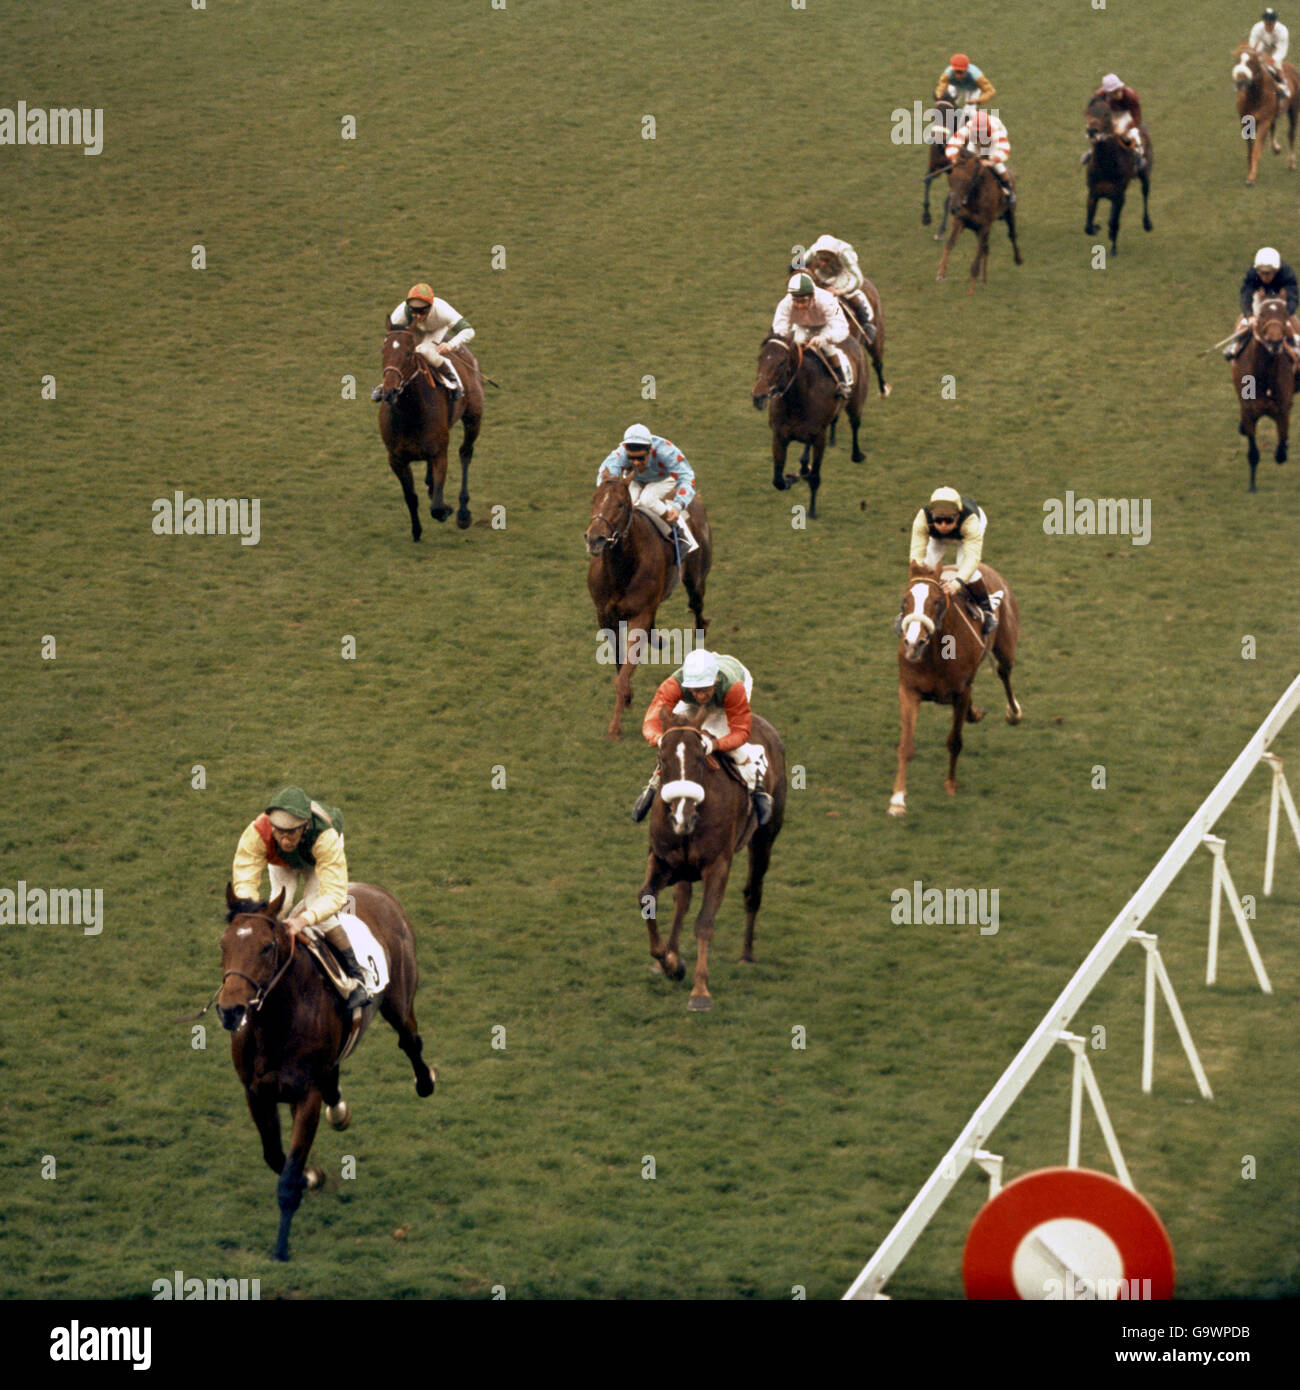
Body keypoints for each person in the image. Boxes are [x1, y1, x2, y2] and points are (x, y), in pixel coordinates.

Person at [230, 786, 371, 1010]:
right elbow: (245, 876)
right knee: (279, 907)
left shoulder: (325, 837)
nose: (285, 839)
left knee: (319, 911)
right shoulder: (257, 832)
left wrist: (303, 920)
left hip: (317, 859)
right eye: (279, 832)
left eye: (292, 832)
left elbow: (335, 894)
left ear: (305, 826)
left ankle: (358, 978)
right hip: (282, 862)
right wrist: (250, 913)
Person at [633, 649, 774, 825]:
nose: (700, 696)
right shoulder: (674, 685)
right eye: (695, 690)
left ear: (715, 681)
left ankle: (756, 787)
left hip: (730, 693)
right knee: (676, 743)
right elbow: (651, 721)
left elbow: (741, 731)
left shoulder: (733, 688)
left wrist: (713, 744)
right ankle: (653, 785)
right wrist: (661, 739)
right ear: (687, 685)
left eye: (705, 690)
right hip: (690, 700)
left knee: (721, 737)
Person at [906, 487, 997, 636]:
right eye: (938, 520)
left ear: (958, 515)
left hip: (965, 533)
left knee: (964, 566)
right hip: (938, 537)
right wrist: (918, 573)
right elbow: (916, 554)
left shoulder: (971, 521)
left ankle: (987, 610)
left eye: (948, 520)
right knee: (926, 566)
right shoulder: (922, 518)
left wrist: (956, 583)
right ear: (931, 516)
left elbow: (972, 558)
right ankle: (910, 611)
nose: (943, 525)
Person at [596, 424, 700, 554]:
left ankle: (679, 532)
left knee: (647, 499)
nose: (636, 463)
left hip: (663, 479)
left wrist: (678, 505)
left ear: (650, 450)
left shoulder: (666, 451)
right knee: (626, 504)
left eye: (641, 458)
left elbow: (686, 477)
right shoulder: (620, 453)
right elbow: (606, 477)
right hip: (635, 479)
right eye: (631, 458)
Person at [370, 282, 475, 402]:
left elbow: (469, 330)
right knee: (400, 352)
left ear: (431, 306)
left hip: (436, 329)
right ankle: (385, 385)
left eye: (422, 311)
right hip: (414, 330)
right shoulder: (401, 313)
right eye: (414, 311)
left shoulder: (443, 310)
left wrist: (450, 345)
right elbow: (391, 340)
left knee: (424, 350)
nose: (418, 316)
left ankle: (453, 378)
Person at [772, 271, 855, 398]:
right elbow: (779, 328)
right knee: (793, 347)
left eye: (804, 301)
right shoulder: (785, 303)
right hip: (801, 327)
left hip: (825, 327)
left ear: (812, 296)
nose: (799, 305)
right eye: (796, 301)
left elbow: (841, 326)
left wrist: (825, 337)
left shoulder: (828, 300)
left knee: (827, 347)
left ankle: (841, 381)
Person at [1224, 246, 1300, 360]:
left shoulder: (1287, 273)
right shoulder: (1252, 273)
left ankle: (1295, 345)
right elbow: (1246, 294)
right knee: (1245, 322)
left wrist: (1285, 313)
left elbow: (1293, 297)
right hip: (1260, 297)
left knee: (1291, 323)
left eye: (1268, 273)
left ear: (1276, 270)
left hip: (1280, 300)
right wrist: (1250, 316)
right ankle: (1235, 343)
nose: (1264, 277)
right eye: (1261, 273)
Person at [799, 235, 877, 344]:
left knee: (850, 294)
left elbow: (858, 279)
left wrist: (840, 291)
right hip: (823, 273)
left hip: (842, 272)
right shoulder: (813, 251)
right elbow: (798, 264)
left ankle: (866, 323)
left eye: (827, 260)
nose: (823, 263)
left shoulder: (846, 255)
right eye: (821, 259)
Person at [944, 108, 1014, 204]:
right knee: (967, 164)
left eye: (981, 133)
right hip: (975, 144)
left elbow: (1004, 149)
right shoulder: (969, 127)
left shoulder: (996, 130)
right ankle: (961, 192)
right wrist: (954, 158)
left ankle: (1008, 189)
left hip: (992, 144)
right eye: (977, 132)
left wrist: (991, 161)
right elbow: (954, 142)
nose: (979, 134)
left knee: (998, 166)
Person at [1085, 73, 1147, 169]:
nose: (1117, 94)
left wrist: (1125, 128)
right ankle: (1092, 151)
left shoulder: (1131, 96)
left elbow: (1136, 118)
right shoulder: (1100, 95)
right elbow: (1092, 108)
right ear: (1107, 92)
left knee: (1128, 134)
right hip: (1110, 114)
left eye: (1118, 91)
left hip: (1126, 114)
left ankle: (1138, 154)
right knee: (1095, 133)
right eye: (1113, 92)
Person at [1250, 7, 1291, 98]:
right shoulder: (1257, 28)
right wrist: (1260, 55)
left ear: (1275, 22)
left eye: (1270, 23)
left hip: (1275, 49)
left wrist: (1272, 59)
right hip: (1262, 47)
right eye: (1266, 22)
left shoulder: (1282, 31)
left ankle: (1284, 86)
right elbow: (1253, 45)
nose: (1268, 25)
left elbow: (1282, 49)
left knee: (1277, 66)